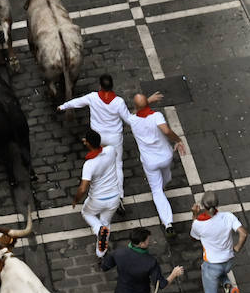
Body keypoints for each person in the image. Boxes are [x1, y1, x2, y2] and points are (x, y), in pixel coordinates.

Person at [190, 193, 248, 293]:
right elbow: (243, 233)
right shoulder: (227, 217)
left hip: (211, 265)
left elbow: (194, 236)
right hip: (228, 261)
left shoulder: (199, 225)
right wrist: (237, 247)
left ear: (202, 205)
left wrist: (195, 215)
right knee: (221, 273)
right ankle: (228, 285)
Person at [58, 74, 133, 193]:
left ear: (100, 86)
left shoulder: (93, 97)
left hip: (98, 137)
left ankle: (101, 188)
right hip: (114, 137)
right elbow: (128, 119)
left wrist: (63, 106)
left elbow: (77, 102)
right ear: (112, 86)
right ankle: (119, 196)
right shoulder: (119, 102)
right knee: (117, 165)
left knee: (98, 162)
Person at [127, 93, 185, 236]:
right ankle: (164, 184)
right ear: (147, 104)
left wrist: (146, 102)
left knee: (157, 191)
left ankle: (168, 222)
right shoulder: (156, 116)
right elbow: (166, 130)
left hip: (150, 161)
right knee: (166, 177)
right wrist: (178, 140)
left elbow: (135, 112)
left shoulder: (132, 120)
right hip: (165, 156)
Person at [71, 128, 122, 259]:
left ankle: (99, 229)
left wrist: (76, 200)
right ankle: (101, 253)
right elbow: (103, 149)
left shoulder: (89, 165)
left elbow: (82, 189)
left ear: (87, 144)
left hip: (97, 200)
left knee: (86, 213)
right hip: (114, 197)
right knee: (106, 222)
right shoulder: (111, 151)